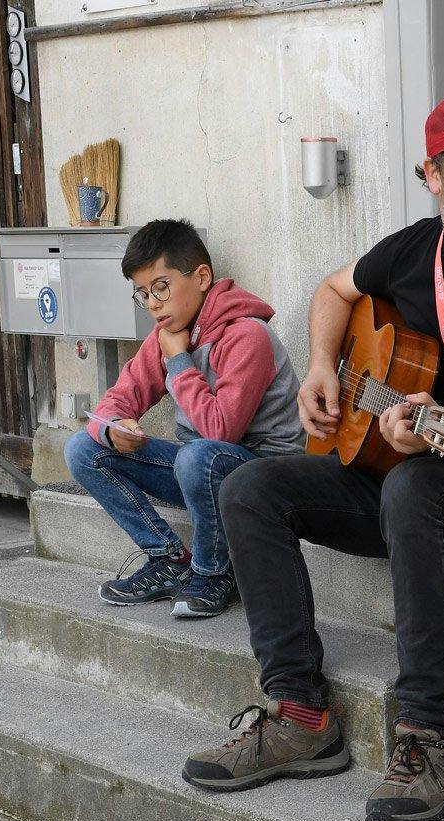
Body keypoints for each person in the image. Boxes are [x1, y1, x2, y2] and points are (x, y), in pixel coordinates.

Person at [180, 88, 444, 821]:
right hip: (420, 475)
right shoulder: (411, 251)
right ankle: (302, 715)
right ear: (431, 176)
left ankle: (428, 736)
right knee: (249, 487)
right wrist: (318, 368)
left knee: (414, 485)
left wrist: (440, 430)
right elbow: (335, 292)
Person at [65, 219, 302, 619]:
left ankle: (215, 572)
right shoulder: (169, 333)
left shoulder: (248, 335)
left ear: (202, 277)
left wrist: (178, 359)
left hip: (265, 474)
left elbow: (220, 431)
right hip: (203, 471)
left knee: (198, 455)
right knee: (83, 449)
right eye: (143, 294)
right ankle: (169, 559)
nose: (154, 303)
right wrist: (112, 429)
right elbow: (119, 398)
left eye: (161, 287)